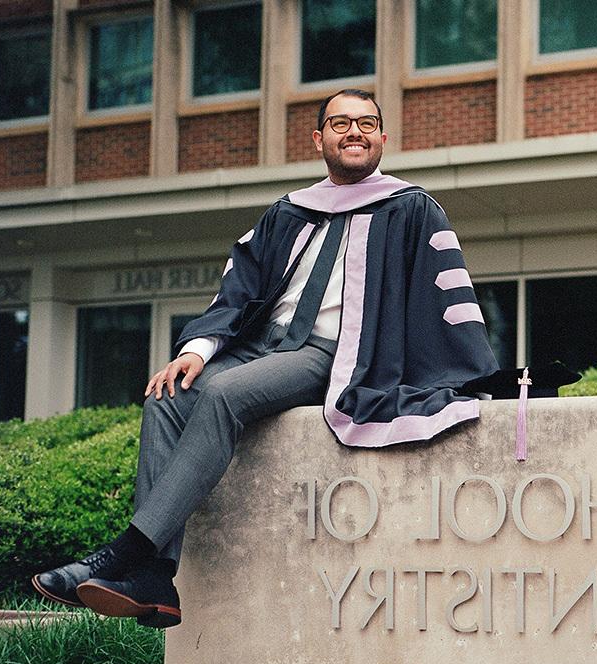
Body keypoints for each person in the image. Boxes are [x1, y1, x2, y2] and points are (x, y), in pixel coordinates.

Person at [31, 89, 499, 629]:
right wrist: (197, 350)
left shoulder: (411, 209)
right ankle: (157, 581)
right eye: (341, 123)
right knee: (170, 394)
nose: (355, 132)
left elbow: (446, 299)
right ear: (318, 138)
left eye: (367, 123)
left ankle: (125, 553)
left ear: (383, 139)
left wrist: (473, 377)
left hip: (336, 352)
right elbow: (236, 291)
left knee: (225, 395)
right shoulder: (288, 212)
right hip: (264, 345)